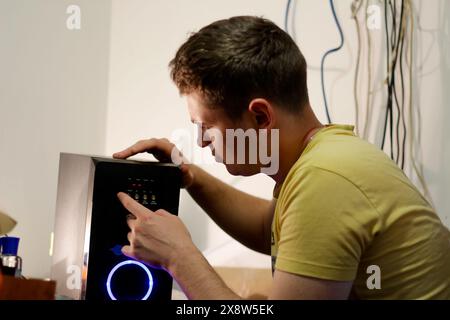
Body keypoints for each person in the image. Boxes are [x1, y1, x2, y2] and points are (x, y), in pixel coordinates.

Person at [113, 16, 450, 300]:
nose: (201, 142)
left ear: (260, 117)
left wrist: (178, 257)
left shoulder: (325, 180)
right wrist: (190, 176)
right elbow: (267, 229)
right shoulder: (326, 155)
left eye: (207, 127)